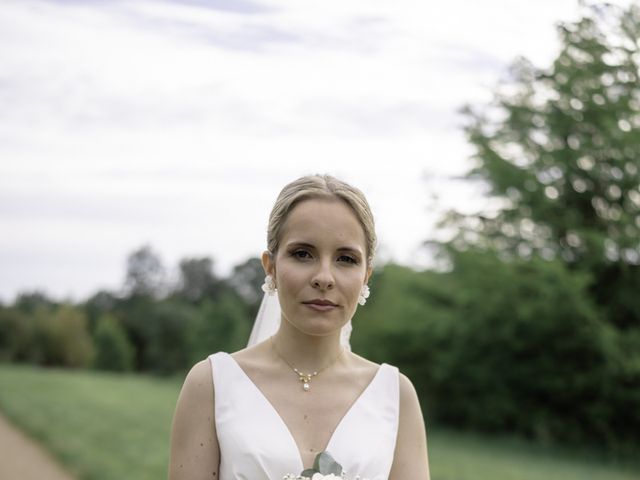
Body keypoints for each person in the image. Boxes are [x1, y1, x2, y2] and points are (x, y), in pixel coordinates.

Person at [169, 174, 430, 480]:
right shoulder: (211, 384)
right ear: (271, 266)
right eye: (303, 254)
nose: (324, 277)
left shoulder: (396, 395)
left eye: (345, 258)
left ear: (366, 277)